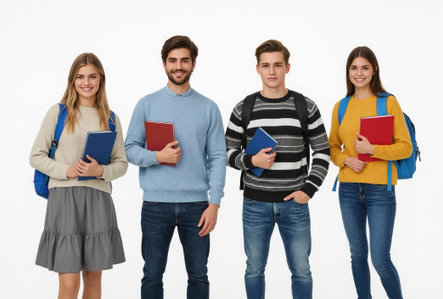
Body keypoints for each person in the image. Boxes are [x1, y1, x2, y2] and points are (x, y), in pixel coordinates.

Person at [225, 39, 330, 299]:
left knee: (302, 271)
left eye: (277, 65)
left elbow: (323, 151)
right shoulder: (243, 108)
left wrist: (309, 189)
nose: (272, 71)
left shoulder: (305, 107)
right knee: (254, 270)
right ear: (258, 69)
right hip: (254, 203)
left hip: (295, 203)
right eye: (266, 65)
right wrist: (251, 161)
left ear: (288, 67)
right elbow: (226, 153)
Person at [125, 35, 226, 299]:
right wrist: (157, 157)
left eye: (184, 60)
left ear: (193, 64)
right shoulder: (146, 104)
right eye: (173, 60)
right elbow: (129, 149)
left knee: (199, 276)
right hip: (155, 205)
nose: (178, 66)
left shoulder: (209, 108)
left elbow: (217, 157)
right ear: (164, 64)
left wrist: (214, 203)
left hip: (197, 207)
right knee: (152, 276)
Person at [30, 53, 128, 299]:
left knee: (94, 278)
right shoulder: (58, 112)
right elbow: (36, 156)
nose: (87, 82)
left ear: (101, 79)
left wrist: (100, 171)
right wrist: (67, 170)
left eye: (92, 76)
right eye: (80, 77)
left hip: (98, 200)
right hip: (64, 200)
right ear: (72, 80)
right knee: (70, 282)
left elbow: (122, 164)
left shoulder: (111, 118)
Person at [328, 46, 413, 299]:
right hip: (348, 190)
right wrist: (346, 160)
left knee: (380, 259)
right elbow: (332, 148)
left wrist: (372, 149)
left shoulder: (388, 102)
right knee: (357, 256)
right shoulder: (341, 106)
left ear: (374, 70)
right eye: (354, 68)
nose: (359, 73)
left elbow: (405, 148)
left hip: (380, 191)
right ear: (348, 72)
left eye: (365, 67)